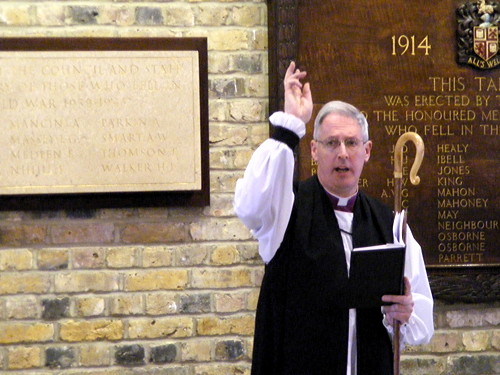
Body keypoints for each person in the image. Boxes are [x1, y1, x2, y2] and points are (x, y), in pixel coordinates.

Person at [234, 61, 434, 375]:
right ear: (313, 151)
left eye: (352, 143)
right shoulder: (287, 210)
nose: (342, 153)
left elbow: (422, 315)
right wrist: (289, 128)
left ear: (367, 151)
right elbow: (250, 204)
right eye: (331, 143)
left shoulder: (390, 224)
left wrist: (406, 311)